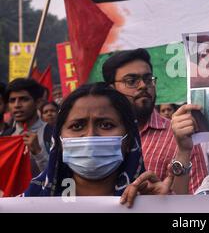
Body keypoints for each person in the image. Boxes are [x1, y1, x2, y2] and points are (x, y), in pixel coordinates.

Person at [23, 83, 173, 206]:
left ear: (128, 139)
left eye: (106, 125)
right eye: (77, 126)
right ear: (59, 140)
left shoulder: (149, 199)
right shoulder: (29, 203)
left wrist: (165, 206)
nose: (90, 136)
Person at [102, 48, 207, 193]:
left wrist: (165, 199)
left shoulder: (180, 138)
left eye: (148, 79)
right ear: (111, 89)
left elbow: (198, 201)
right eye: (131, 81)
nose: (143, 86)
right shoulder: (99, 137)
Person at [3, 78, 51, 176]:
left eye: (24, 99)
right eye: (12, 100)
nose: (17, 105)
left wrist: (38, 152)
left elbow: (58, 177)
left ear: (38, 102)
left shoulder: (52, 134)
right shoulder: (5, 137)